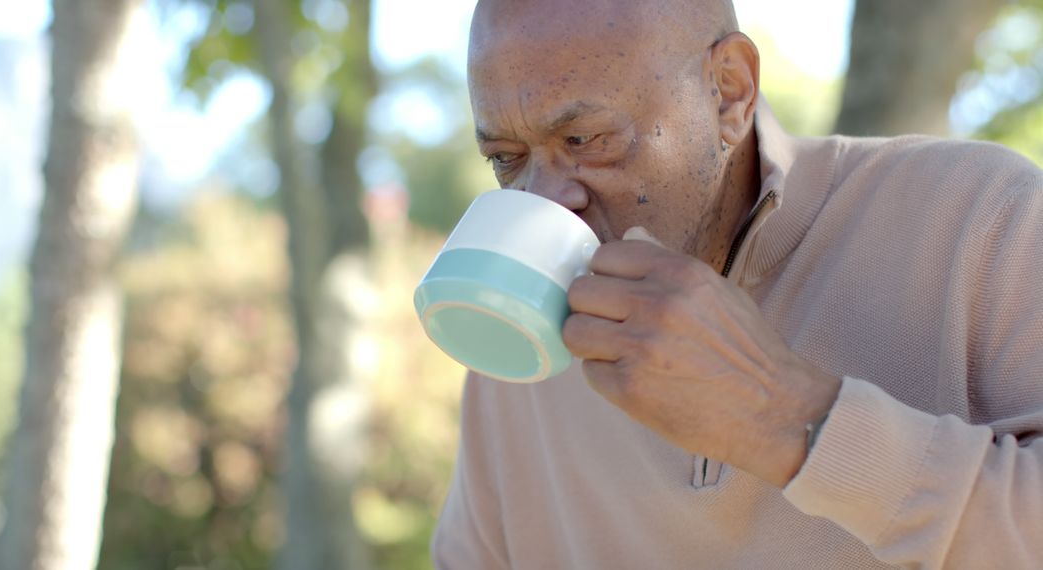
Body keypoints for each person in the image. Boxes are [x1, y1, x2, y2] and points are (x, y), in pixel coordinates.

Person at [432, 0, 1043, 567]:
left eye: (585, 140)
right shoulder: (517, 346)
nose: (545, 200)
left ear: (729, 92)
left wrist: (788, 419)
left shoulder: (983, 215)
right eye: (507, 158)